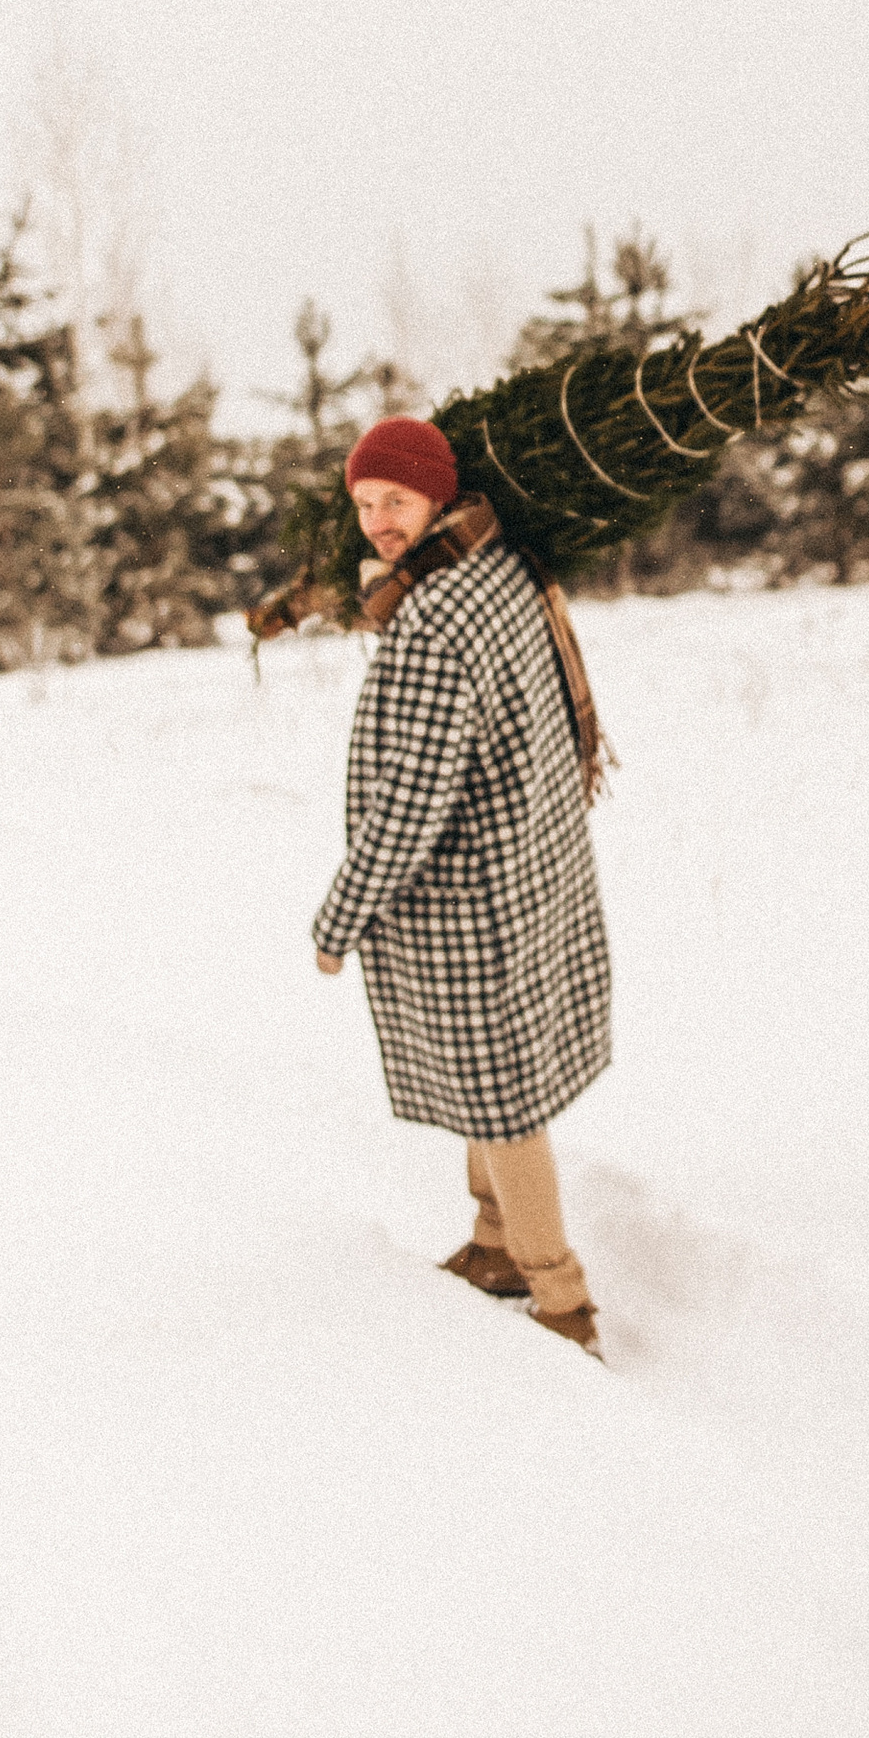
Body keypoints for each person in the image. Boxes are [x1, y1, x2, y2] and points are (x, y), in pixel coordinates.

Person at [311, 416, 612, 1357]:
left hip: (467, 898)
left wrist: (341, 916)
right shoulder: (498, 569)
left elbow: (408, 799)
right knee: (495, 1082)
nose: (378, 523)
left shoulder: (433, 620)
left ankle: (560, 1299)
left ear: (437, 494)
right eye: (363, 505)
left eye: (394, 501)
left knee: (504, 1104)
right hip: (527, 870)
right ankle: (492, 1247)